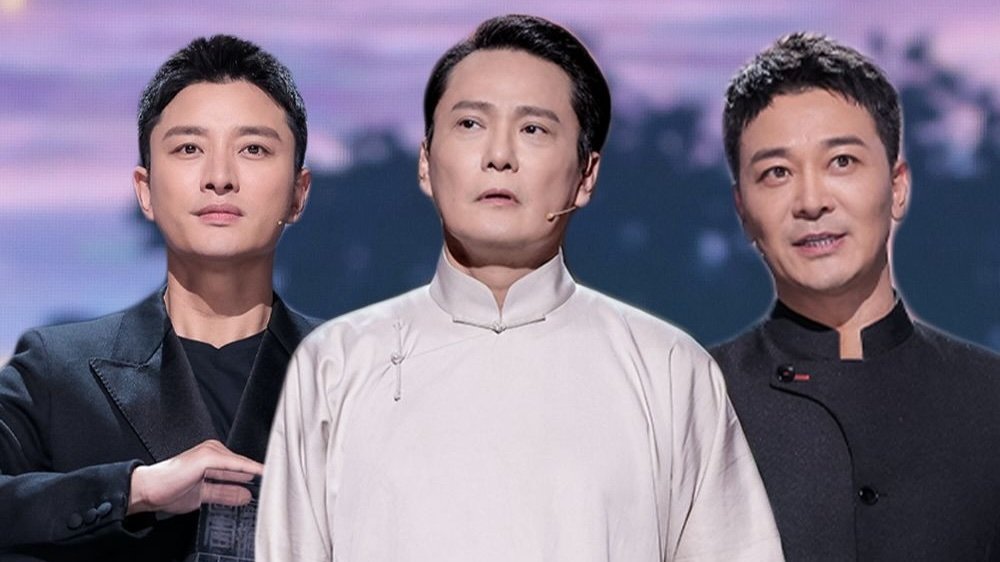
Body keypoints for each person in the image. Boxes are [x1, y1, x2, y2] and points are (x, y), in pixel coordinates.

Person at [257, 14, 782, 562]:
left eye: (533, 129)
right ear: (425, 163)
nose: (499, 155)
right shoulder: (335, 365)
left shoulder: (669, 369)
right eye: (470, 124)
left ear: (586, 176)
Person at [0, 35, 319, 561]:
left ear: (298, 193)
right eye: (189, 148)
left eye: (253, 149)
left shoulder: (362, 372)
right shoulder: (56, 372)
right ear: (145, 190)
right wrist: (136, 490)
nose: (220, 178)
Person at [711, 32, 1000, 561]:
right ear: (743, 211)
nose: (811, 201)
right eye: (776, 173)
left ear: (898, 186)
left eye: (841, 161)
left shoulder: (990, 399)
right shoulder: (699, 399)